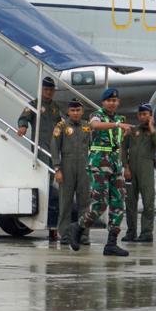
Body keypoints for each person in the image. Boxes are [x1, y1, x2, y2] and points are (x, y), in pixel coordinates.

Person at [70, 88, 132, 256]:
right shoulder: (97, 115)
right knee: (100, 203)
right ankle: (78, 227)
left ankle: (111, 243)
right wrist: (118, 125)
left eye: (115, 100)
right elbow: (95, 126)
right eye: (109, 100)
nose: (112, 103)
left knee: (119, 203)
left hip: (115, 164)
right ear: (103, 102)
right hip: (99, 163)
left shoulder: (120, 118)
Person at [17, 76, 62, 240]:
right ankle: (44, 214)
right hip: (41, 147)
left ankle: (51, 217)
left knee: (50, 181)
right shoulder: (34, 104)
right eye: (46, 89)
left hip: (53, 148)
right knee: (42, 180)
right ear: (41, 90)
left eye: (51, 90)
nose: (48, 93)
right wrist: (22, 126)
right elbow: (24, 117)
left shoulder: (55, 108)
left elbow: (60, 125)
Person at [122, 103, 156, 243]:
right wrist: (126, 167)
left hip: (146, 169)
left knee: (148, 203)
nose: (142, 117)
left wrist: (152, 128)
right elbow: (124, 149)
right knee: (130, 203)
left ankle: (147, 233)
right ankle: (131, 232)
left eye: (145, 114)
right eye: (140, 114)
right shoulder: (133, 131)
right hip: (132, 170)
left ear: (151, 116)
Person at [52, 99, 92, 247]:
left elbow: (92, 147)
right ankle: (64, 235)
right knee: (65, 203)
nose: (75, 113)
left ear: (82, 112)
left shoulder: (87, 127)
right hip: (66, 166)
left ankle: (83, 234)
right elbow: (55, 147)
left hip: (84, 167)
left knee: (84, 203)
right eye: (73, 110)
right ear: (68, 112)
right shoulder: (61, 126)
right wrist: (57, 168)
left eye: (78, 110)